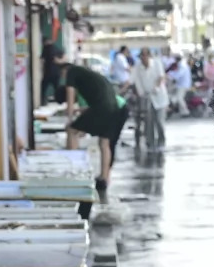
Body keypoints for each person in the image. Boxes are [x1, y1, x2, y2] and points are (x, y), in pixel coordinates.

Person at [53, 48, 129, 191]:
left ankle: (73, 171)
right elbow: (97, 102)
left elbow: (70, 96)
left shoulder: (71, 72)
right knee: (104, 142)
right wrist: (78, 114)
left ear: (65, 71)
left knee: (71, 130)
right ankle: (104, 178)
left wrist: (69, 118)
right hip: (115, 108)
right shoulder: (88, 75)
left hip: (106, 107)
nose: (64, 79)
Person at [130, 47, 168, 153]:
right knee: (149, 122)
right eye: (141, 56)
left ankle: (161, 142)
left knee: (159, 121)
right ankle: (150, 143)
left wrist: (156, 87)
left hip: (159, 95)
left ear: (149, 56)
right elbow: (136, 80)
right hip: (147, 97)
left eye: (145, 55)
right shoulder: (138, 67)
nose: (143, 58)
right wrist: (140, 93)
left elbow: (161, 77)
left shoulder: (156, 63)